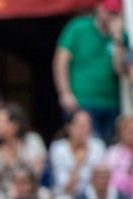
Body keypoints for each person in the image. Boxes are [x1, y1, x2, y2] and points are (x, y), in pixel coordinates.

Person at [53, 0, 127, 143]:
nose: (111, 16)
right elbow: (61, 61)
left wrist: (118, 39)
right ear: (99, 8)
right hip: (83, 99)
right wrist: (65, 93)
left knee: (107, 147)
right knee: (84, 143)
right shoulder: (78, 27)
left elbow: (119, 69)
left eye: (115, 13)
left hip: (111, 101)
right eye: (109, 11)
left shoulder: (121, 36)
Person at [49, 109, 107, 199]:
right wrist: (78, 164)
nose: (83, 129)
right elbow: (66, 189)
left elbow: (102, 180)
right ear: (69, 127)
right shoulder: (58, 148)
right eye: (80, 125)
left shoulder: (98, 146)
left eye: (87, 125)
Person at [0, 103, 47, 193]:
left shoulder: (32, 140)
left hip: (31, 191)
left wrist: (14, 162)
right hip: (5, 194)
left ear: (14, 125)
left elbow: (36, 173)